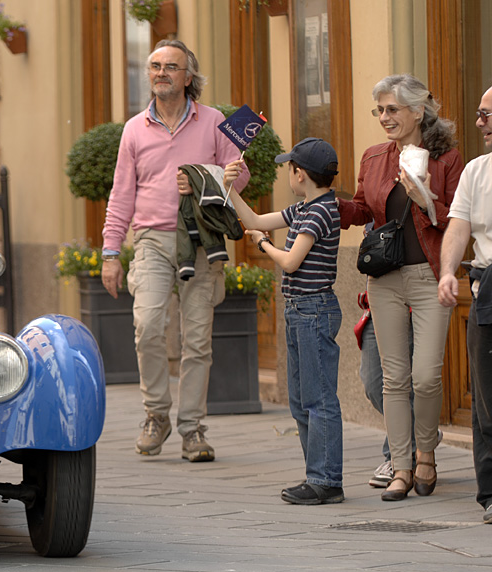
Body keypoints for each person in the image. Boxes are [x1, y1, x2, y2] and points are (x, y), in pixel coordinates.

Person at [100, 39, 248, 462]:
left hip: (202, 240)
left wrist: (218, 174)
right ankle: (156, 413)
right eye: (155, 66)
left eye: (171, 66)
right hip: (150, 239)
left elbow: (240, 181)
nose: (161, 72)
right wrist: (111, 253)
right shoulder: (133, 129)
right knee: (147, 326)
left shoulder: (216, 122)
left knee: (197, 338)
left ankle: (192, 428)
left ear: (188, 77)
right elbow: (121, 195)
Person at [338, 74, 462, 502]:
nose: (384, 117)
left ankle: (427, 453)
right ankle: (403, 467)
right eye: (380, 110)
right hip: (384, 279)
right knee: (394, 379)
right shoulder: (374, 157)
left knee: (425, 376)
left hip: (429, 276)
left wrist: (425, 196)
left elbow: (455, 220)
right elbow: (361, 207)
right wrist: (324, 202)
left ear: (417, 110)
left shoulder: (447, 159)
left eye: (392, 109)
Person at [223, 138, 344, 504]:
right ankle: (317, 476)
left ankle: (326, 480)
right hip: (298, 310)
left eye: (289, 168)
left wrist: (263, 245)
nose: (287, 174)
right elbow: (256, 220)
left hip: (314, 311)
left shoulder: (322, 211)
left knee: (319, 399)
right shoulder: (304, 207)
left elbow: (291, 261)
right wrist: (228, 189)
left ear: (300, 174)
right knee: (300, 400)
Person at [438, 85, 492, 524]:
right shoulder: (476, 170)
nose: (480, 122)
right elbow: (457, 228)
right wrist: (448, 271)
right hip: (487, 285)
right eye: (478, 114)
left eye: (488, 114)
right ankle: (491, 493)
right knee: (486, 397)